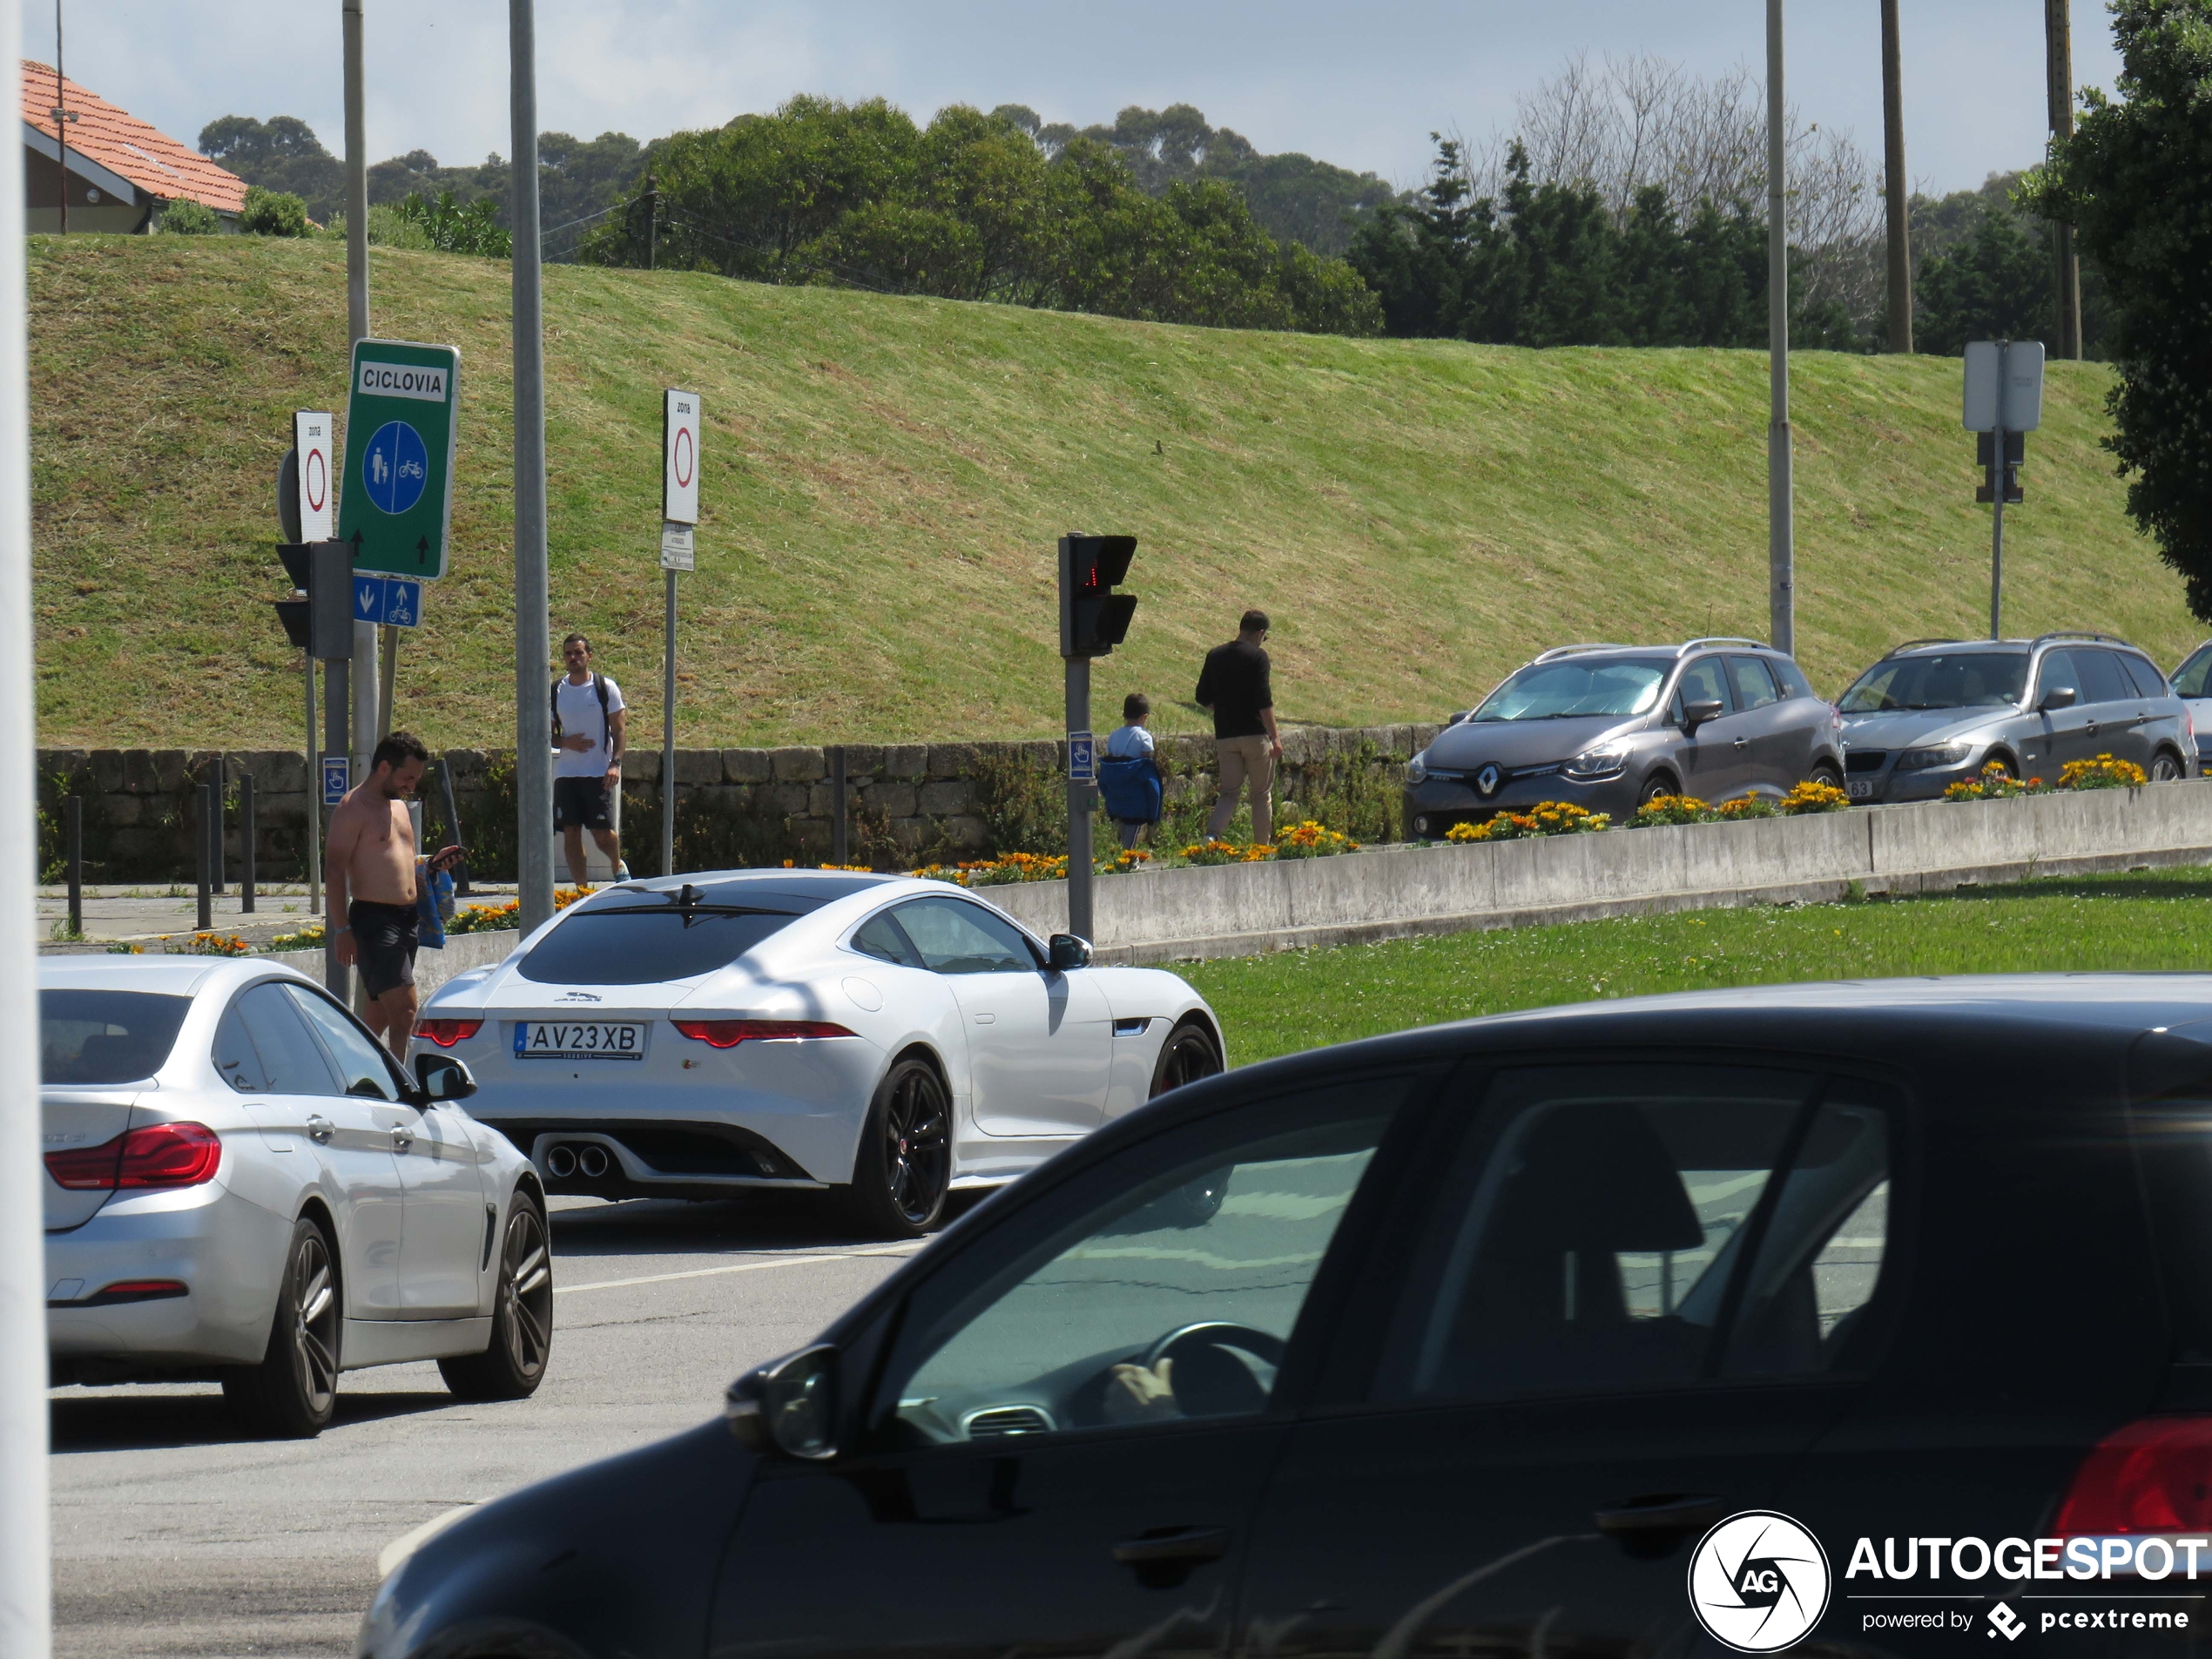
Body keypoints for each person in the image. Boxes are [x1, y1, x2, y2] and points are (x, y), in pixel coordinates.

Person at [327, 731, 464, 1058]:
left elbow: (400, 862)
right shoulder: (352, 808)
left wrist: (432, 865)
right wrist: (342, 929)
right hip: (375, 921)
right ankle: (402, 1085)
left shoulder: (400, 807)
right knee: (404, 1009)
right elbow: (333, 870)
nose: (412, 786)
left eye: (416, 779)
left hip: (407, 919)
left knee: (379, 1017)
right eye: (407, 777)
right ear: (384, 768)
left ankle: (350, 1072)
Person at [1195, 608, 1283, 846]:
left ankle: (1212, 836)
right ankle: (1261, 847)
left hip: (1226, 736)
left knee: (1229, 793)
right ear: (1260, 633)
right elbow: (1264, 701)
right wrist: (1275, 737)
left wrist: (1225, 710)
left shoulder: (1215, 655)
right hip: (1255, 735)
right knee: (1261, 794)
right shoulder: (1258, 657)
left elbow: (1202, 696)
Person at [552, 632, 630, 886]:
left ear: (589, 656)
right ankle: (581, 890)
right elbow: (545, 735)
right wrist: (566, 743)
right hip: (566, 773)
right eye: (568, 653)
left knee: (600, 833)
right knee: (571, 832)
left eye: (578, 652)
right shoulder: (556, 691)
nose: (573, 658)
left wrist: (615, 764)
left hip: (597, 771)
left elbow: (619, 730)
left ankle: (617, 865)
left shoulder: (605, 688)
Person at [1097, 691, 1164, 850]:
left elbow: (1111, 757)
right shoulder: (1144, 737)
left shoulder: (1114, 736)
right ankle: (1127, 858)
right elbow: (1146, 762)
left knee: (1122, 825)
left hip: (1115, 790)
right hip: (1135, 790)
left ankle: (1123, 855)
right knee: (1133, 827)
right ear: (1145, 716)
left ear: (1124, 715)